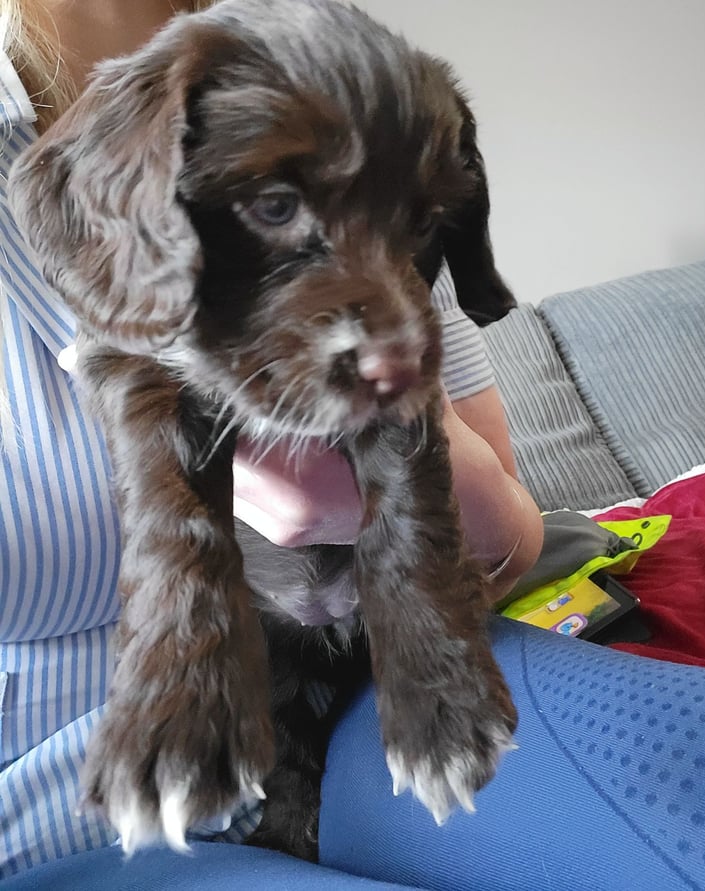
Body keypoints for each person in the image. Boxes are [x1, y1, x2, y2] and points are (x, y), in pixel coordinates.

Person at [0, 0, 544, 877]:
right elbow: (135, 351)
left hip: (383, 684)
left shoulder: (371, 89)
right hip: (53, 806)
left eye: (416, 227)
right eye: (276, 202)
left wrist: (402, 447)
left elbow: (512, 540)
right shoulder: (145, 132)